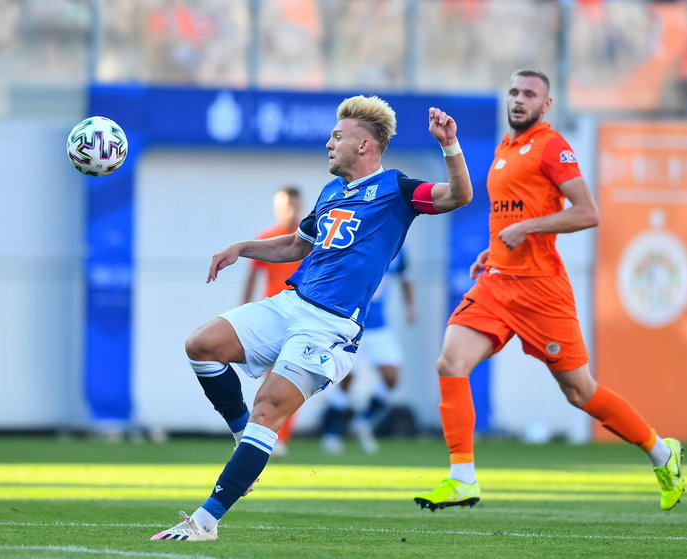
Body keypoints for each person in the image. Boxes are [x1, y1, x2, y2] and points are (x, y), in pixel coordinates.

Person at [150, 94, 473, 542]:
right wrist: (242, 248)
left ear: (364, 146)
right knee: (200, 345)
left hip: (331, 325)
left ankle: (205, 522)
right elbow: (296, 247)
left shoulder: (397, 190)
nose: (328, 143)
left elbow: (459, 195)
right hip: (291, 303)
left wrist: (449, 146)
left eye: (337, 136)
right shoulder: (332, 192)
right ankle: (243, 433)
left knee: (269, 410)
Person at [413, 69, 685, 513]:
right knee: (450, 360)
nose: (519, 100)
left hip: (542, 291)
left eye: (530, 94)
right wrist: (492, 249)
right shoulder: (505, 147)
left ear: (546, 105)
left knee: (579, 392)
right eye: (514, 92)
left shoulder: (553, 146)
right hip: (498, 282)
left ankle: (661, 452)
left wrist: (528, 228)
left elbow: (587, 212)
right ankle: (462, 477)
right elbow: (511, 212)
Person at [321, 246, 414, 455]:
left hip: (379, 325)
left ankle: (364, 421)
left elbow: (406, 277)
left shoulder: (398, 247)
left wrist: (410, 307)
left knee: (391, 377)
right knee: (347, 379)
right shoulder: (363, 239)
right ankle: (332, 432)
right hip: (351, 323)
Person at [242, 185, 305, 456]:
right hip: (274, 316)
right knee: (272, 379)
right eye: (284, 205)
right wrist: (245, 310)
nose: (289, 210)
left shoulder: (311, 237)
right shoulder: (267, 238)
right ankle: (261, 432)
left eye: (293, 204)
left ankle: (279, 437)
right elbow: (252, 277)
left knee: (292, 378)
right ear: (277, 207)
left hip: (304, 317)